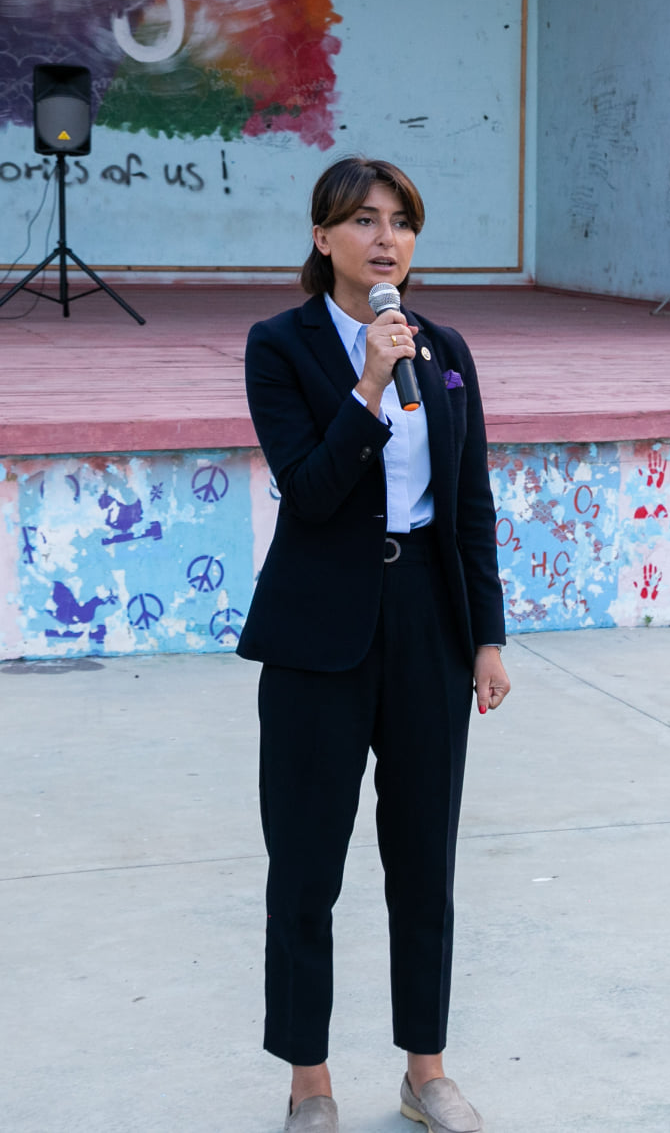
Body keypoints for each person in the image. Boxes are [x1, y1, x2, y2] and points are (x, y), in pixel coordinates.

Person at [239, 156, 510, 1132]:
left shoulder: (445, 348)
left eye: (400, 220)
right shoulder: (280, 347)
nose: (385, 237)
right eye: (362, 219)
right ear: (323, 238)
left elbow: (468, 499)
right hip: (317, 632)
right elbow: (310, 492)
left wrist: (487, 637)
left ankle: (423, 1069)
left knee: (424, 858)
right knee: (306, 866)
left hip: (428, 620)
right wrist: (367, 384)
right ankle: (308, 1081)